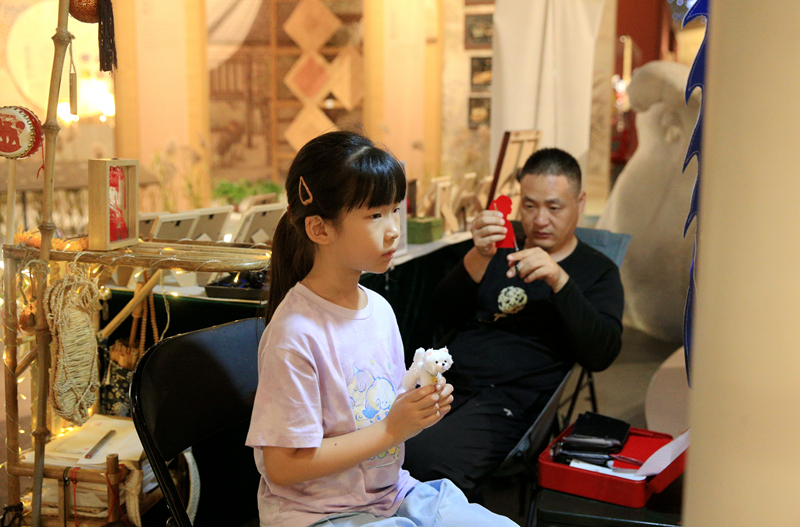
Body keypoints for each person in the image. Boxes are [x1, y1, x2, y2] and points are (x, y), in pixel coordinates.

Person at [246, 131, 519, 527]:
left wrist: (418, 405)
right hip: (318, 514)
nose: (393, 228)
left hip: (389, 495)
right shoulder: (295, 335)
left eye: (394, 210)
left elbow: (376, 410)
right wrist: (393, 429)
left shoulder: (379, 310)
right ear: (320, 229)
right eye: (375, 215)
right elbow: (283, 466)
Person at [404, 147, 625, 497]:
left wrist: (559, 281)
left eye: (554, 208)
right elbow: (443, 313)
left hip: (510, 399)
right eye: (530, 206)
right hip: (449, 380)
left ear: (580, 203)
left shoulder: (598, 272)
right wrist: (478, 255)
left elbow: (601, 354)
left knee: (423, 460)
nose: (540, 220)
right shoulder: (499, 246)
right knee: (375, 439)